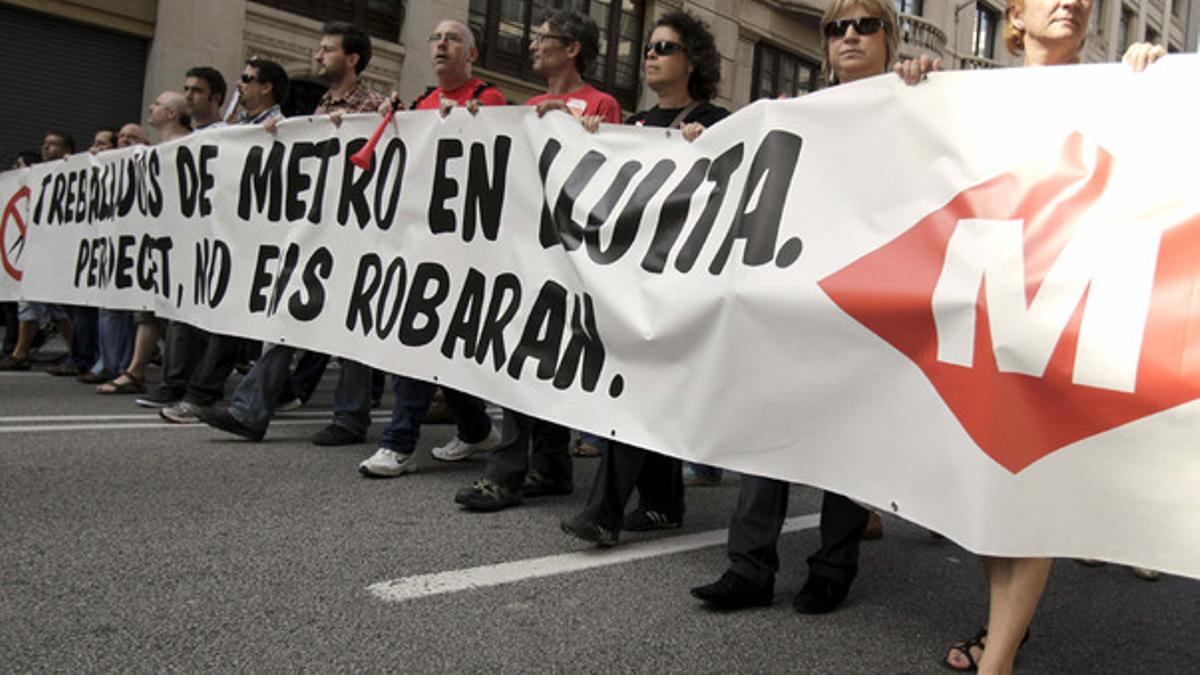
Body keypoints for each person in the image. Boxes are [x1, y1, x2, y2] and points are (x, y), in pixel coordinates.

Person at [893, 2, 1166, 671]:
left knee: (1032, 485)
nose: (1072, 1)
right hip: (990, 318)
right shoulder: (972, 95)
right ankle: (1001, 630)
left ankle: (1000, 658)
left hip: (1066, 319)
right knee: (996, 486)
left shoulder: (1119, 89)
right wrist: (911, 85)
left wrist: (1159, 85)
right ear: (1014, 11)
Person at [689, 0, 898, 616]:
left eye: (866, 25)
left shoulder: (916, 108)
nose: (850, 36)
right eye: (838, 28)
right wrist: (708, 144)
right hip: (791, 291)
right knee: (766, 431)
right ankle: (748, 568)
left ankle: (833, 568)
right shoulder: (795, 114)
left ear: (891, 38)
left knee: (848, 438)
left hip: (867, 301)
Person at [559, 10, 729, 545]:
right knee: (641, 392)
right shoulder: (631, 128)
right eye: (650, 47)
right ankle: (660, 502)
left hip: (684, 284)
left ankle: (605, 512)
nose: (651, 55)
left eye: (665, 47)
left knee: (638, 393)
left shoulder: (718, 121)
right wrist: (591, 142)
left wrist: (711, 145)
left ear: (692, 61)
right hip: (635, 283)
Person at [197, 22, 386, 444]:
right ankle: (251, 411)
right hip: (318, 230)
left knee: (350, 328)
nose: (318, 56)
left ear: (351, 58)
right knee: (288, 315)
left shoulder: (375, 104)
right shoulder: (323, 104)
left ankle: (351, 418)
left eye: (327, 50)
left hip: (355, 233)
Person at [356, 17, 510, 479]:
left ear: (472, 54)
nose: (442, 45)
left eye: (454, 39)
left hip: (463, 248)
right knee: (439, 346)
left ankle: (398, 443)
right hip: (421, 245)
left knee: (417, 341)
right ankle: (477, 429)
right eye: (436, 39)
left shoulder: (491, 100)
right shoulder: (419, 102)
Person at [158, 58, 289, 424]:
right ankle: (283, 391)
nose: (240, 84)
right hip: (228, 238)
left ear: (266, 87)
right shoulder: (235, 129)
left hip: (259, 242)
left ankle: (202, 396)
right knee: (237, 321)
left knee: (233, 320)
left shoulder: (284, 129)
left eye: (247, 79)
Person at [96, 94, 190, 395]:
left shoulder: (189, 145)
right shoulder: (149, 155)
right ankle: (135, 370)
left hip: (178, 242)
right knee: (147, 310)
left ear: (172, 112)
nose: (151, 106)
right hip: (150, 240)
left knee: (173, 315)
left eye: (158, 103)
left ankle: (177, 378)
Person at [0, 133, 76, 372]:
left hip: (55, 249)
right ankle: (20, 353)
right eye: (44, 143)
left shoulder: (70, 173)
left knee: (54, 305)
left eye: (53, 144)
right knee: (28, 300)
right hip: (33, 247)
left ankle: (76, 351)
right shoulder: (38, 176)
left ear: (66, 150)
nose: (45, 147)